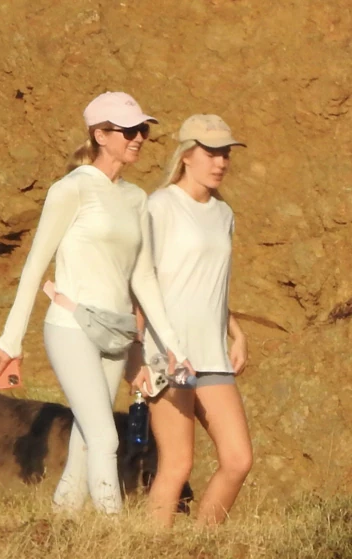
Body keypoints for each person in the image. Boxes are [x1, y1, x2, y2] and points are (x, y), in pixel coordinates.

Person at [0, 92, 191, 514]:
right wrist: (11, 339)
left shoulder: (136, 199)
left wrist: (172, 344)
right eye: (129, 130)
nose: (139, 138)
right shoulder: (72, 189)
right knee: (104, 437)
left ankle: (63, 527)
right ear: (100, 134)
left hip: (116, 330)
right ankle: (113, 540)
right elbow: (34, 265)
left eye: (143, 130)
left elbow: (143, 277)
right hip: (71, 327)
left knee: (85, 439)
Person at [131, 114, 253, 527]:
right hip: (168, 353)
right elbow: (139, 283)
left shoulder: (224, 214)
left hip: (213, 353)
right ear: (186, 155)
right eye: (211, 153)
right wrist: (139, 356)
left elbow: (211, 286)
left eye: (225, 154)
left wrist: (235, 332)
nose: (220, 162)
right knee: (177, 465)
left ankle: (204, 550)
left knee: (238, 460)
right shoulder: (159, 206)